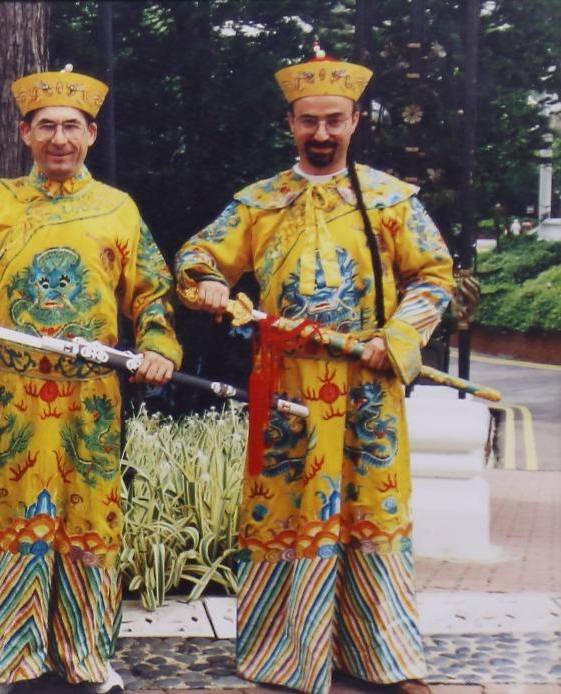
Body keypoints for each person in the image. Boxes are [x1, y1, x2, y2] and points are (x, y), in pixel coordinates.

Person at [175, 47, 455, 694]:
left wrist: (398, 337)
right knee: (287, 511)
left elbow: (434, 276)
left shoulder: (390, 200)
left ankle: (384, 659)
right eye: (310, 121)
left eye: (334, 120)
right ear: (291, 123)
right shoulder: (260, 202)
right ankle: (285, 654)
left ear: (355, 120)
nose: (322, 133)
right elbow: (196, 257)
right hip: (287, 387)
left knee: (371, 510)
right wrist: (208, 283)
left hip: (367, 385)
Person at [0, 66, 182, 694]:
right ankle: (10, 659)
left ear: (91, 134)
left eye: (71, 127)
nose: (59, 139)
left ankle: (85, 657)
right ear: (25, 133)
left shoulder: (118, 208)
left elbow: (152, 290)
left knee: (90, 518)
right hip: (11, 394)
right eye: (47, 127)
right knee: (10, 518)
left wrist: (157, 345)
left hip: (91, 398)